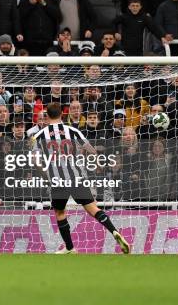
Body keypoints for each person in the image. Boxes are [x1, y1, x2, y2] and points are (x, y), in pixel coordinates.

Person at [32, 102, 131, 254]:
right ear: (62, 114)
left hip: (57, 180)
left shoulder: (39, 135)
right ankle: (114, 231)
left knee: (60, 213)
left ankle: (70, 248)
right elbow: (91, 150)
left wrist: (46, 175)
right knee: (93, 208)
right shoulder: (73, 130)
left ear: (47, 116)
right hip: (77, 177)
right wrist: (98, 164)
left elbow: (35, 161)